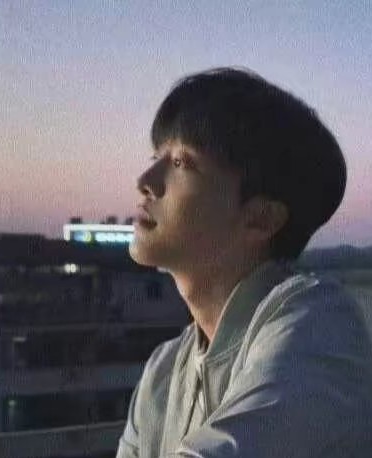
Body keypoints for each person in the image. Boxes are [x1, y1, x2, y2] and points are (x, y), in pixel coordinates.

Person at [116, 67, 372, 458]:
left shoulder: (318, 324)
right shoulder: (164, 371)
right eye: (157, 157)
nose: (145, 180)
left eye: (182, 162)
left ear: (261, 218)